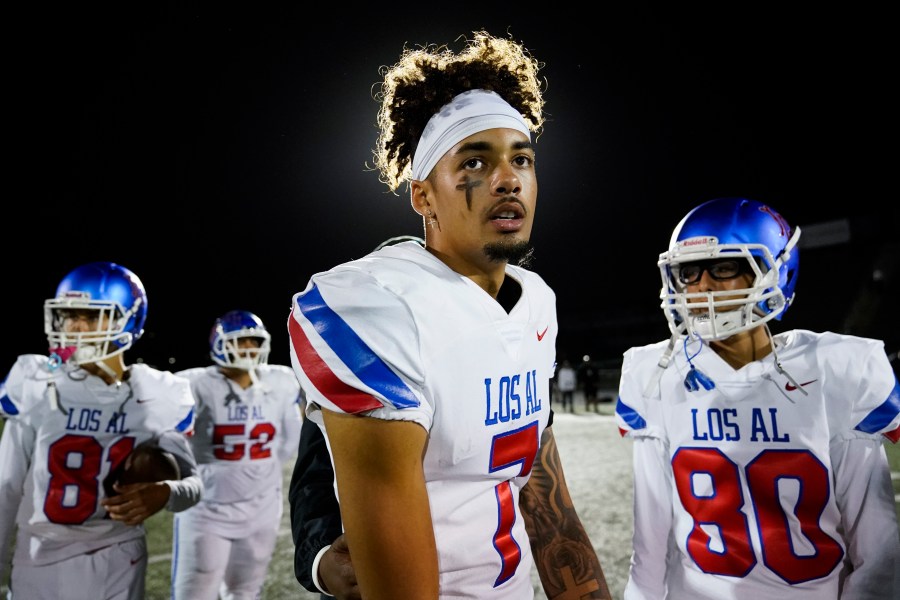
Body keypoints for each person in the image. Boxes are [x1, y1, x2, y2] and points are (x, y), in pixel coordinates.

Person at [287, 30, 610, 600]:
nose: (508, 178)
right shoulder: (377, 305)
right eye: (476, 161)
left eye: (522, 158)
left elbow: (541, 488)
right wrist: (316, 552)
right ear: (422, 196)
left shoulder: (536, 302)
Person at [614, 197, 900, 599]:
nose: (702, 287)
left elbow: (878, 552)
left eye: (724, 267)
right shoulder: (656, 376)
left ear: (775, 272)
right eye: (689, 272)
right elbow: (649, 549)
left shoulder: (836, 371)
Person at [0, 261, 202, 600]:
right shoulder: (36, 380)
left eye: (92, 316)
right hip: (38, 557)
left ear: (129, 318)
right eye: (70, 315)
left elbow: (194, 484)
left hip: (118, 555)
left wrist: (166, 491)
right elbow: (5, 485)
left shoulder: (159, 393)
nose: (77, 327)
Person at [171, 309, 303, 600]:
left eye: (253, 342)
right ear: (219, 344)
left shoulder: (281, 382)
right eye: (240, 341)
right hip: (207, 509)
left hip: (262, 508)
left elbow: (289, 441)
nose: (248, 348)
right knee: (195, 593)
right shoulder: (195, 385)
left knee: (245, 592)